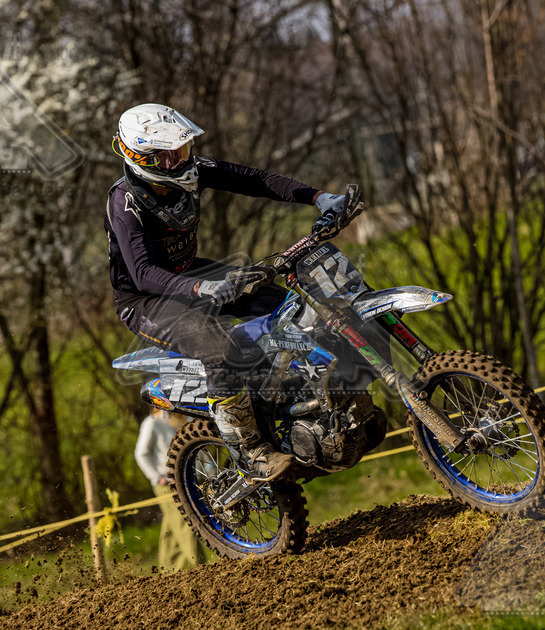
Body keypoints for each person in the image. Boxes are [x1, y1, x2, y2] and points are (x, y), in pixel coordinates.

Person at [107, 103, 361, 485]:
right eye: (168, 155)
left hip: (190, 273)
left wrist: (319, 198)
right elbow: (143, 273)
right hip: (146, 299)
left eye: (182, 150)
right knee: (216, 346)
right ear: (141, 158)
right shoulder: (124, 204)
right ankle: (249, 451)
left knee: (284, 302)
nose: (180, 160)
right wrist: (199, 286)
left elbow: (254, 180)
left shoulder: (190, 170)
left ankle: (293, 400)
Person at [134, 408, 203, 571]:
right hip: (167, 483)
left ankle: (171, 570)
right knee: (186, 522)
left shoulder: (186, 419)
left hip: (188, 479)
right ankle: (201, 567)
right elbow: (141, 453)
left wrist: (207, 472)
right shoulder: (152, 423)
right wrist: (157, 477)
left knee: (172, 526)